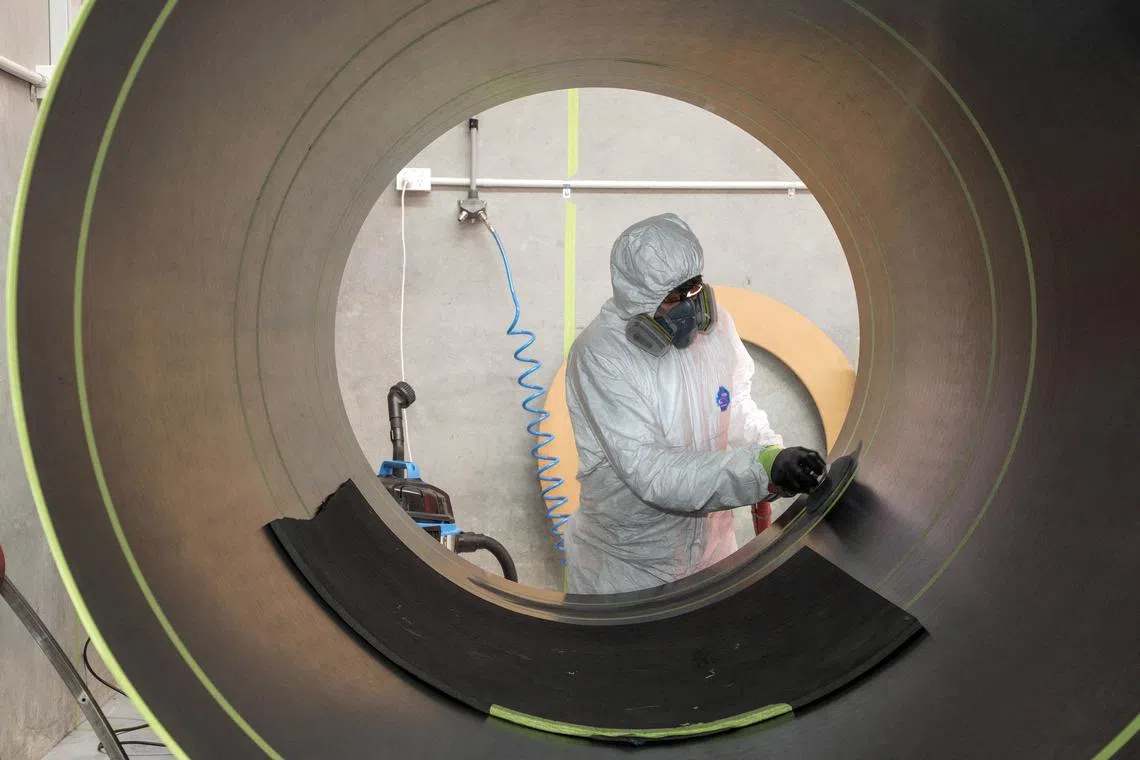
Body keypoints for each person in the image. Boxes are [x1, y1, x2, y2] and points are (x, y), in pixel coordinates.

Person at [564, 213, 827, 595]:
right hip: (628, 570)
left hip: (714, 556)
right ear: (638, 297)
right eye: (673, 297)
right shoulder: (602, 356)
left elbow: (733, 404)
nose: (691, 306)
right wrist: (758, 469)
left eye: (694, 289)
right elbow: (652, 471)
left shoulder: (717, 330)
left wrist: (772, 451)